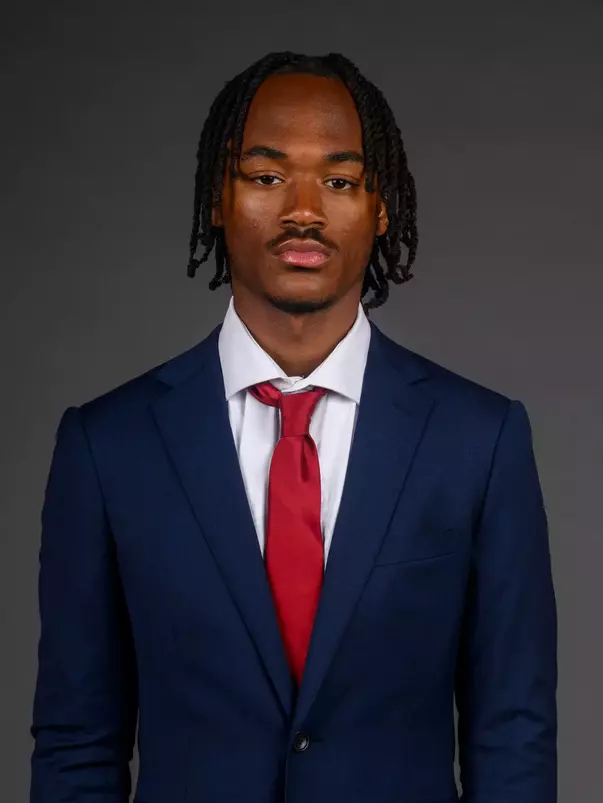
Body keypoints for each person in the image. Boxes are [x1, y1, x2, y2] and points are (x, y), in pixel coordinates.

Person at [30, 51, 557, 803]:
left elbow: (512, 734)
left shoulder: (479, 439)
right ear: (217, 199)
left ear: (380, 208)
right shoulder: (108, 446)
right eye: (266, 175)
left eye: (339, 181)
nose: (303, 210)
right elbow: (77, 741)